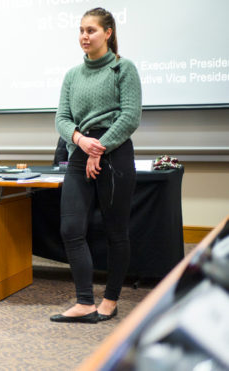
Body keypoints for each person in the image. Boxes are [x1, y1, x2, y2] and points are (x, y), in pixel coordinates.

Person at [50, 8, 142, 323]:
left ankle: (111, 299)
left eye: (91, 30)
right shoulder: (72, 75)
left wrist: (98, 149)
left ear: (108, 33)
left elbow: (130, 116)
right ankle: (85, 301)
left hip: (114, 152)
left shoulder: (123, 69)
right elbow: (61, 118)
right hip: (80, 150)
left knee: (116, 231)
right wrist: (80, 140)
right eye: (81, 30)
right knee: (71, 229)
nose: (84, 36)